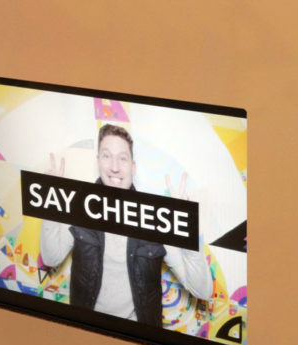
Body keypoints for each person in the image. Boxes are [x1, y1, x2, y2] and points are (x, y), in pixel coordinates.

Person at [40, 124, 212, 327]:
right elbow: (51, 258)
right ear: (98, 161)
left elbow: (203, 291)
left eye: (122, 158)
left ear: (133, 166)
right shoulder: (79, 206)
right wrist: (50, 204)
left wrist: (187, 228)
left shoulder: (154, 218)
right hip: (87, 332)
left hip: (138, 337)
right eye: (107, 156)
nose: (114, 166)